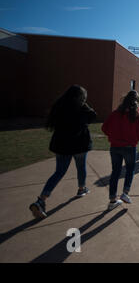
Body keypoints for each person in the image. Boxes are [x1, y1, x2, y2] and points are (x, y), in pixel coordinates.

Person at [29, 85, 96, 219]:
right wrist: (85, 104)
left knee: (59, 172)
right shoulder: (82, 109)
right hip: (79, 146)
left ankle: (41, 200)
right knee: (81, 167)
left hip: (62, 146)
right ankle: (81, 189)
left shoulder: (59, 107)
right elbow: (93, 116)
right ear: (81, 98)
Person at [102, 90, 139, 210]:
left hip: (115, 147)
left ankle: (112, 200)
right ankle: (125, 193)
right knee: (130, 170)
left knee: (115, 172)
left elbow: (104, 128)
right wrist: (133, 139)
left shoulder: (115, 113)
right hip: (130, 147)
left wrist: (114, 136)